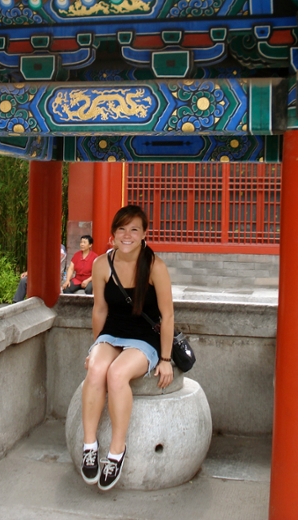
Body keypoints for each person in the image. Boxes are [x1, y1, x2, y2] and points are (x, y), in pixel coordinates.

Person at [80, 205, 174, 491]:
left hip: (143, 337)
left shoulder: (155, 266)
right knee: (96, 368)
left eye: (134, 229)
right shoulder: (101, 265)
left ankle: (116, 452)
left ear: (145, 234)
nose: (127, 235)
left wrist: (166, 359)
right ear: (112, 235)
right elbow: (99, 310)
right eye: (121, 229)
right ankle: (89, 445)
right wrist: (96, 347)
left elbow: (167, 316)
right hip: (113, 333)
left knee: (117, 374)